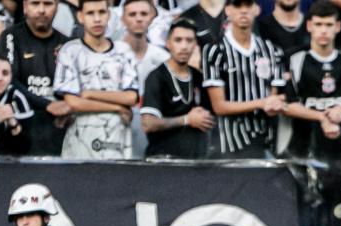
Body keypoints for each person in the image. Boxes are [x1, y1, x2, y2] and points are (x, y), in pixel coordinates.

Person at [281, 0, 341, 226]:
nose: (323, 30)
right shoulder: (296, 59)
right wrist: (323, 116)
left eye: (329, 24)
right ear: (309, 26)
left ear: (338, 27)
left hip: (336, 157)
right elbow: (287, 104)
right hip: (300, 151)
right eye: (318, 25)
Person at [54, 0, 140, 159]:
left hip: (117, 139)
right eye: (90, 13)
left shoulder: (124, 51)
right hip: (80, 141)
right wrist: (118, 108)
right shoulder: (70, 51)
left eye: (101, 12)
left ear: (109, 15)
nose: (97, 19)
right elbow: (73, 102)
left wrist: (89, 93)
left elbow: (131, 97)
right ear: (80, 16)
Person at [203, 0, 287, 158]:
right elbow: (219, 106)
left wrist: (275, 103)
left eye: (248, 6)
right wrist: (262, 103)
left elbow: (273, 100)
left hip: (266, 141)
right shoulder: (215, 51)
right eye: (237, 6)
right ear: (227, 10)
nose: (243, 11)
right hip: (229, 143)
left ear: (257, 9)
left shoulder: (272, 50)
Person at [0, 0, 72, 155]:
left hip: (58, 131)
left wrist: (68, 107)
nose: (41, 10)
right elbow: (8, 82)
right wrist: (47, 105)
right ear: (25, 7)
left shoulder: (68, 45)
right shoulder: (10, 36)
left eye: (48, 4)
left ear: (57, 7)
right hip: (18, 130)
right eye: (35, 3)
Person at [142, 17, 216, 158]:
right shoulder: (157, 76)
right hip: (163, 161)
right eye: (178, 40)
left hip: (195, 162)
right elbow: (148, 123)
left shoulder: (198, 76)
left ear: (195, 44)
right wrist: (187, 120)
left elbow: (210, 115)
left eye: (189, 41)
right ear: (168, 43)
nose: (184, 46)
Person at [121, 0, 171, 158]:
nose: (138, 19)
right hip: (117, 127)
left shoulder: (163, 58)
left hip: (153, 133)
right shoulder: (111, 54)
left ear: (152, 18)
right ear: (122, 19)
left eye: (143, 14)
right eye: (132, 14)